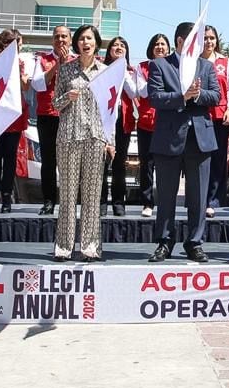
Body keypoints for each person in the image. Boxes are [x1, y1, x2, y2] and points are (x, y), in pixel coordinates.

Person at [146, 21, 221, 263]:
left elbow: (216, 96)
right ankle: (165, 242)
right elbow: (155, 97)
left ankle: (194, 242)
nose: (201, 45)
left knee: (198, 197)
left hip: (200, 139)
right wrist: (182, 96)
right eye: (195, 40)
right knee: (166, 195)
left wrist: (197, 94)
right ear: (180, 41)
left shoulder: (207, 66)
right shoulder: (159, 65)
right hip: (169, 139)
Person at [52, 25, 115, 262]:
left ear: (96, 43)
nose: (85, 42)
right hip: (68, 136)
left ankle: (90, 247)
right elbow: (55, 105)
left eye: (89, 38)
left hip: (95, 138)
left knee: (91, 195)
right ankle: (64, 247)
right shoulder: (66, 70)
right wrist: (67, 97)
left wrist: (112, 141)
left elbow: (111, 111)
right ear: (76, 43)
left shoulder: (105, 72)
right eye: (81, 39)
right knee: (67, 195)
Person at [0, 29, 29, 213]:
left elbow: (24, 87)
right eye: (17, 43)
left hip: (14, 114)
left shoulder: (18, 62)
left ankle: (6, 197)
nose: (20, 47)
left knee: (10, 157)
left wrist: (21, 74)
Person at [32, 25, 72, 215]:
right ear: (52, 40)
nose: (61, 40)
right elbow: (38, 84)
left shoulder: (78, 59)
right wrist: (58, 65)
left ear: (70, 40)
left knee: (69, 161)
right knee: (48, 161)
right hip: (47, 115)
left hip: (70, 116)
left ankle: (67, 203)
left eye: (64, 36)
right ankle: (48, 201)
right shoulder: (42, 59)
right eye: (57, 36)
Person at [99, 36, 137, 216]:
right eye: (115, 45)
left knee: (119, 163)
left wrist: (122, 69)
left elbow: (134, 92)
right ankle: (100, 202)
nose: (119, 48)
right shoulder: (100, 68)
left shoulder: (129, 71)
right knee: (101, 163)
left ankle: (118, 201)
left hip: (122, 119)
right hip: (102, 118)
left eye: (123, 46)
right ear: (109, 50)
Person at [201, 25, 229, 218]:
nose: (209, 42)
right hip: (199, 115)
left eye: (212, 38)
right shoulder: (194, 60)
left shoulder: (225, 62)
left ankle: (212, 200)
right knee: (199, 159)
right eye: (205, 38)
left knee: (218, 159)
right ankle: (197, 199)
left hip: (220, 115)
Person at [134, 33, 170, 217]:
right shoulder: (142, 67)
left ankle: (165, 202)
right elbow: (143, 91)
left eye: (163, 44)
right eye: (156, 44)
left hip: (166, 124)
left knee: (166, 165)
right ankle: (147, 203)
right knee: (146, 165)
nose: (160, 47)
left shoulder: (174, 67)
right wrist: (159, 78)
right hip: (146, 123)